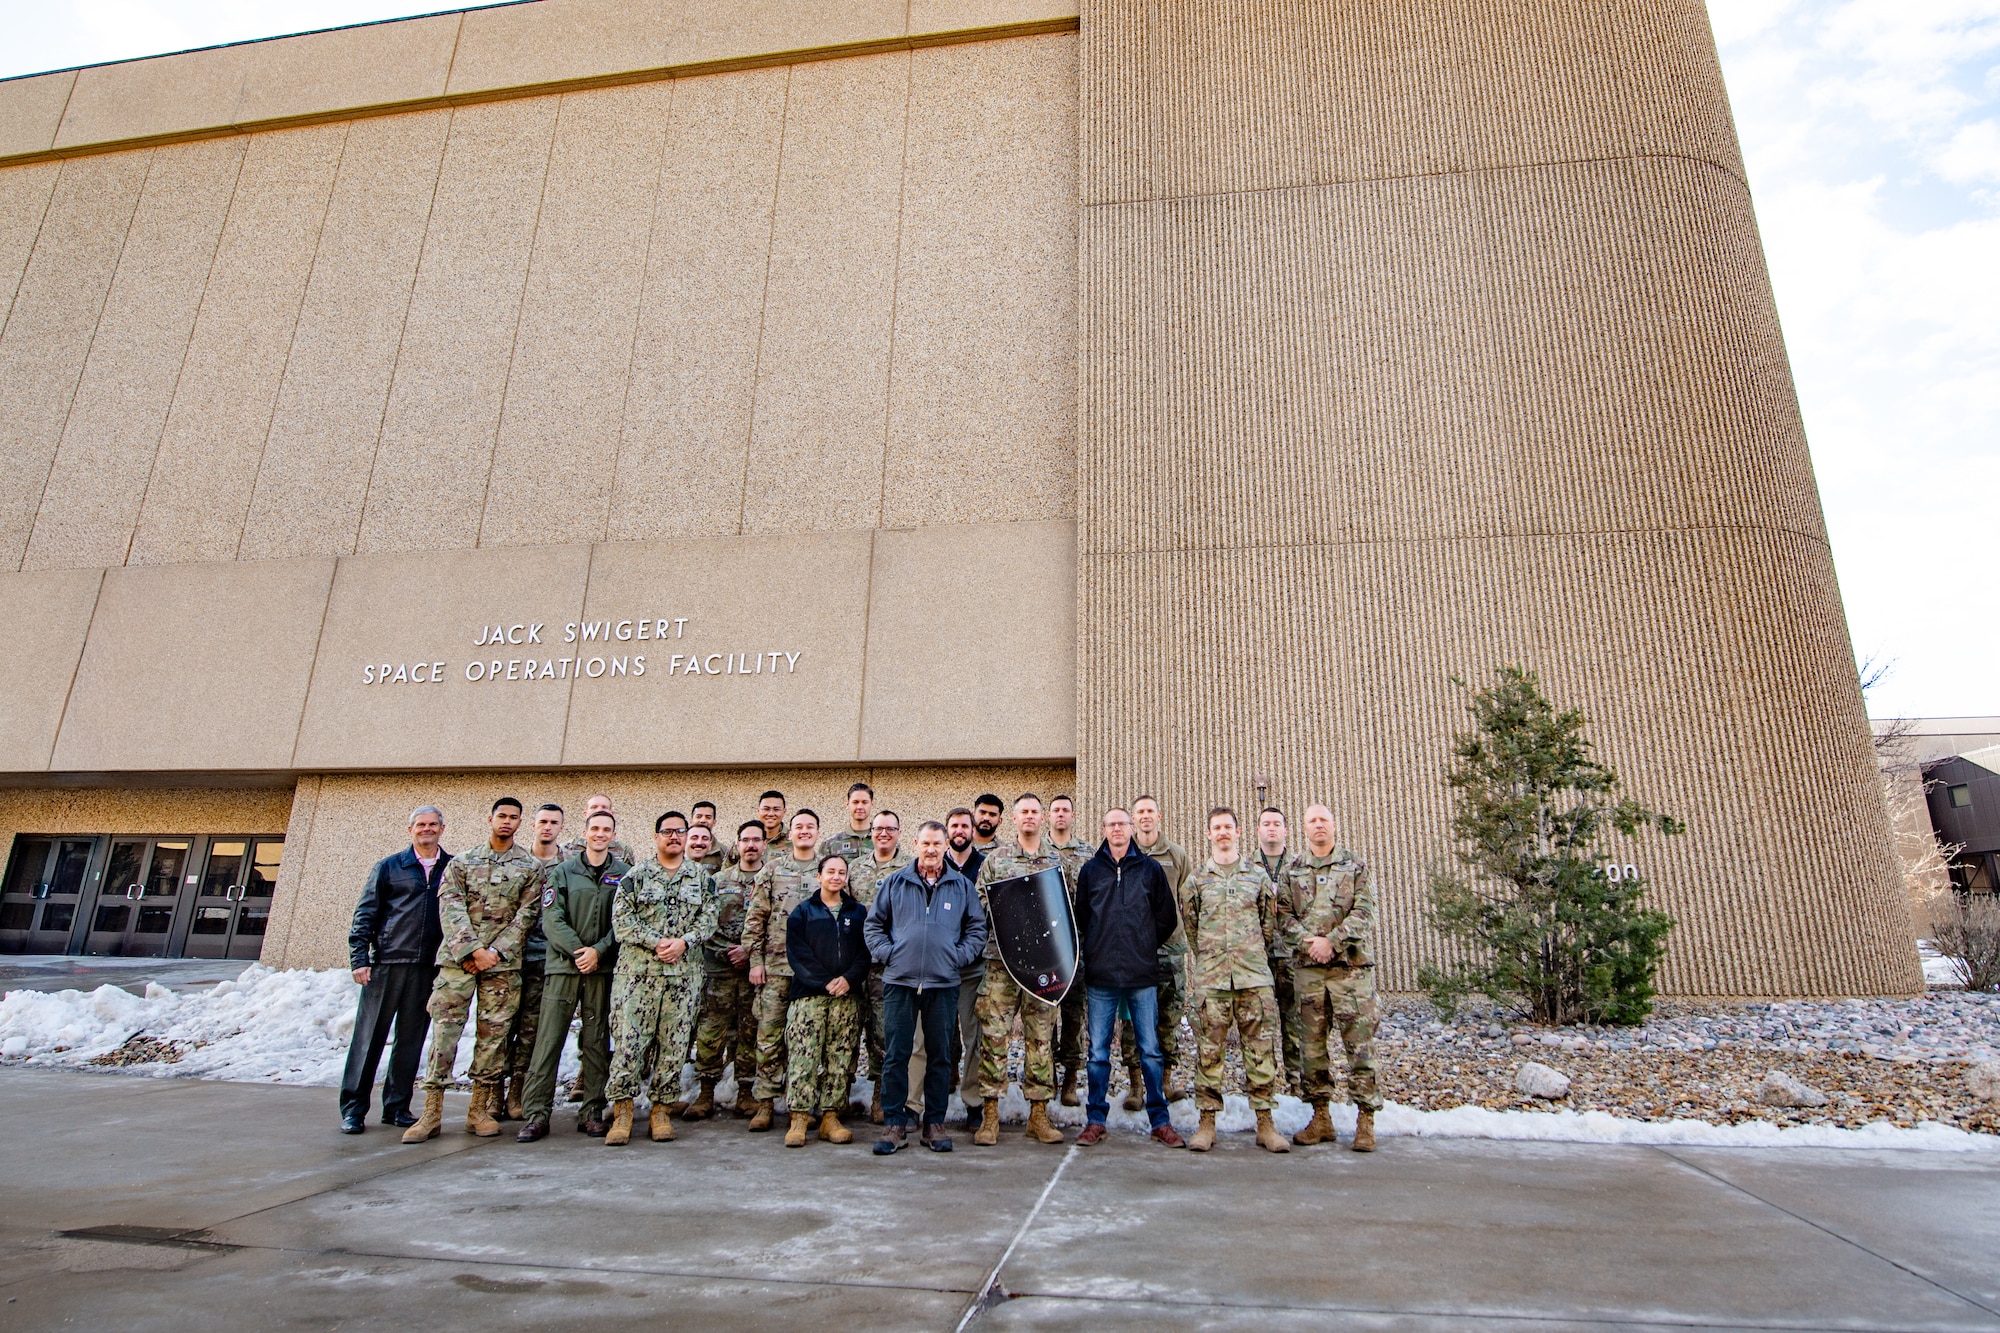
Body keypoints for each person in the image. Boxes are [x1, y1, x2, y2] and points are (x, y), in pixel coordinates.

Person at [403, 798, 544, 1143]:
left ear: (520, 823)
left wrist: (494, 952)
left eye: (513, 817)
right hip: (458, 963)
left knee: (492, 1039)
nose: (506, 822)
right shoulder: (463, 862)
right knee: (444, 1036)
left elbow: (526, 916)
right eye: (501, 816)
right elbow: (449, 906)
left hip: (502, 966)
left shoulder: (530, 867)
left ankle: (478, 1110)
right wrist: (472, 950)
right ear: (490, 819)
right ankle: (431, 1113)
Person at [865, 820, 986, 1154]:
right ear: (915, 844)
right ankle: (894, 1123)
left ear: (946, 846)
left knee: (940, 1056)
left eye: (937, 844)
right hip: (900, 982)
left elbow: (977, 928)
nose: (931, 850)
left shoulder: (961, 886)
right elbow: (874, 925)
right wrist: (890, 955)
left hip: (943, 982)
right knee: (897, 1055)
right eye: (926, 843)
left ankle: (934, 1123)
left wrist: (957, 957)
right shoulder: (895, 883)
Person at [603, 811, 718, 1146]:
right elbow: (622, 922)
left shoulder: (701, 877)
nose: (673, 837)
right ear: (655, 838)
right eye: (666, 832)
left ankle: (661, 1110)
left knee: (675, 1045)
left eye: (679, 832)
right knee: (629, 1044)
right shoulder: (635, 877)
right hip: (638, 977)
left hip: (682, 978)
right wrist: (657, 943)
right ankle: (623, 1110)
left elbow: (709, 919)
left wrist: (684, 942)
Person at [1073, 808, 1184, 1148]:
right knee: (1098, 1054)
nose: (1117, 829)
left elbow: (1166, 917)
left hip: (1141, 975)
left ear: (1131, 828)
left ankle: (1160, 1121)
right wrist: (1095, 952)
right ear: (1103, 829)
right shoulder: (1091, 871)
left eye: (1122, 823)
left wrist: (1143, 944)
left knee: (1150, 1051)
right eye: (1111, 824)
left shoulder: (1149, 869)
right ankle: (1095, 1120)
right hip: (1102, 976)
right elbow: (1081, 918)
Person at [1182, 807, 1288, 1153]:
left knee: (1260, 1053)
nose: (1223, 832)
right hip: (1212, 981)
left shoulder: (1257, 878)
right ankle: (1207, 1122)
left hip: (1253, 979)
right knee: (1208, 1054)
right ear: (1208, 834)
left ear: (1239, 833)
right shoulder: (1197, 880)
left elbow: (1267, 927)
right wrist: (1213, 958)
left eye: (1229, 827)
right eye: (1217, 827)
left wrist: (1247, 955)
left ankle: (1265, 1124)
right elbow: (1192, 928)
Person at [340, 806, 451, 1133]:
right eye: (420, 825)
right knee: (368, 1038)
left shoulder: (452, 867)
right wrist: (359, 958)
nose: (426, 830)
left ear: (441, 829)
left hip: (427, 969)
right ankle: (354, 1110)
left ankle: (397, 1106)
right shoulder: (389, 868)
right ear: (410, 830)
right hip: (387, 964)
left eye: (432, 825)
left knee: (411, 1041)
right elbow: (365, 915)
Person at [516, 810, 625, 1141]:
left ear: (613, 835)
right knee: (548, 1040)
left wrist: (599, 952)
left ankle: (592, 1111)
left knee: (595, 1041)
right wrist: (580, 951)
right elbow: (552, 919)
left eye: (606, 830)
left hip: (600, 969)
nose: (600, 834)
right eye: (595, 828)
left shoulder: (624, 874)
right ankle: (537, 1113)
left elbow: (622, 920)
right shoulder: (563, 872)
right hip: (565, 966)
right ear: (585, 832)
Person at [1278, 803, 1382, 1151]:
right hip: (1309, 973)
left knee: (1359, 1045)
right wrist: (1310, 946)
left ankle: (1365, 1120)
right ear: (1304, 829)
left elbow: (1364, 911)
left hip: (1349, 972)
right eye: (1312, 821)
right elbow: (1283, 916)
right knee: (1312, 1048)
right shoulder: (1292, 870)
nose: (1318, 825)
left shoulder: (1355, 866)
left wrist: (1332, 943)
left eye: (1323, 820)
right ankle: (1321, 1117)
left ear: (1334, 825)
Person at [971, 793, 1069, 1146]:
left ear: (1042, 818)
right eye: (1023, 812)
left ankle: (1038, 1115)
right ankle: (991, 1115)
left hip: (1044, 967)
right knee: (994, 1038)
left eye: (1034, 811)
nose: (1029, 816)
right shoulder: (995, 861)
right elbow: (981, 906)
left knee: (1040, 1040)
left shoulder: (1057, 862)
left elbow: (1066, 909)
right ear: (1013, 819)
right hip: (1001, 963)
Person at [781, 853, 870, 1146]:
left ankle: (831, 1116)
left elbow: (864, 954)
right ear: (819, 876)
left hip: (846, 998)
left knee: (840, 1058)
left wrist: (848, 980)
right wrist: (824, 981)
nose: (836, 876)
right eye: (830, 871)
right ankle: (799, 1118)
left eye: (841, 872)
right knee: (803, 1057)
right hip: (809, 998)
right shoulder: (803, 912)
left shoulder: (857, 913)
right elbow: (798, 953)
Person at [741, 807, 822, 1131]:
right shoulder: (773, 870)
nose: (804, 831)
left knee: (807, 1041)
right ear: (791, 832)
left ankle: (803, 1102)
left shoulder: (827, 869)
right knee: (769, 1037)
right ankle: (765, 1102)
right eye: (799, 826)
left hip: (813, 973)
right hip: (775, 969)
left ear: (818, 832)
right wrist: (756, 961)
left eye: (810, 827)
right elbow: (755, 919)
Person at [689, 820, 766, 1120]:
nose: (750, 845)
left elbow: (774, 924)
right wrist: (726, 952)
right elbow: (705, 922)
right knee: (710, 1033)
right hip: (718, 970)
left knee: (749, 1032)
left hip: (754, 971)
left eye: (756, 840)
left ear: (763, 845)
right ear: (736, 844)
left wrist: (749, 952)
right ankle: (706, 1092)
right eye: (745, 839)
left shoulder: (770, 879)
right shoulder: (717, 881)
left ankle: (745, 1093)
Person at [1121, 794, 1192, 1109]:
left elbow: (1187, 901)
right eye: (1139, 812)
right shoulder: (1121, 853)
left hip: (1170, 949)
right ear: (1133, 819)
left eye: (1150, 810)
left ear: (1159, 816)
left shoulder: (1176, 855)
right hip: (1132, 952)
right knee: (1134, 1021)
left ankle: (1163, 1082)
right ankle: (1136, 1086)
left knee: (1168, 1017)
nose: (1145, 816)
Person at [496, 802, 566, 1121]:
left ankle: (517, 1092)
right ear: (532, 825)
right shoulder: (518, 863)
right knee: (499, 1026)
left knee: (530, 1030)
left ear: (561, 828)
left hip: (544, 959)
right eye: (542, 822)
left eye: (554, 822)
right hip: (508, 959)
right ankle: (492, 1091)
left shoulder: (568, 867)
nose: (547, 827)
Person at [841, 808, 910, 1123]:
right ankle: (839, 1094)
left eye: (890, 829)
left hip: (890, 965)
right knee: (847, 1030)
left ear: (898, 832)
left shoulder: (910, 868)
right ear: (870, 832)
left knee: (885, 1032)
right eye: (878, 828)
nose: (884, 834)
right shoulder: (854, 870)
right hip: (855, 963)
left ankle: (881, 1097)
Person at [1254, 806, 1302, 1095]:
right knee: (1261, 1025)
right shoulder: (1248, 866)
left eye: (1277, 824)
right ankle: (1264, 1087)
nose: (1271, 828)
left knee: (1295, 1024)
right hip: (1259, 958)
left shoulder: (1301, 866)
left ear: (1286, 829)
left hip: (1294, 957)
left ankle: (1297, 1084)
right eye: (1266, 823)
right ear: (1258, 830)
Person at [1046, 794, 1090, 1108]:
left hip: (1078, 949)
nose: (1061, 815)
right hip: (1045, 951)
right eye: (1056, 810)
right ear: (1049, 816)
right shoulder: (1038, 852)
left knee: (1074, 1016)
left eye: (1066, 810)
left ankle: (1071, 1078)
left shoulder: (1087, 853)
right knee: (1044, 1017)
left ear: (1073, 816)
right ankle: (1046, 1076)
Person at [943, 807, 987, 1118]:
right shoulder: (932, 865)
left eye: (964, 825)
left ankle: (973, 1101)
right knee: (938, 1037)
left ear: (972, 830)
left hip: (973, 966)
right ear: (947, 831)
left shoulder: (985, 866)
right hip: (938, 967)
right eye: (954, 826)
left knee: (974, 1037)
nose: (960, 830)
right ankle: (936, 1098)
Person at [564, 793, 636, 864]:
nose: (599, 810)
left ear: (611, 814)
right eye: (594, 807)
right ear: (585, 814)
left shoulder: (624, 850)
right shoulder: (567, 848)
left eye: (604, 807)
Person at [818, 782, 875, 865]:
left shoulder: (882, 840)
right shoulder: (830, 843)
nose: (860, 807)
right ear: (847, 804)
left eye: (864, 802)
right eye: (855, 802)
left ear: (872, 804)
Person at [729, 790, 788, 867]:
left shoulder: (793, 841)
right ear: (758, 811)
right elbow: (726, 873)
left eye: (776, 809)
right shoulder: (743, 840)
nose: (770, 814)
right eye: (766, 809)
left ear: (784, 812)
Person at [690, 801, 725, 872]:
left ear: (714, 822)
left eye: (708, 817)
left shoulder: (723, 852)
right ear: (691, 821)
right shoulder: (679, 848)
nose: (703, 820)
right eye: (699, 816)